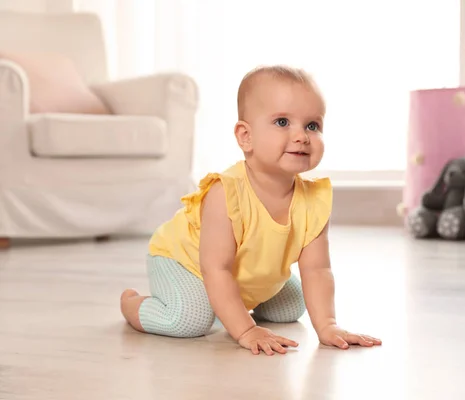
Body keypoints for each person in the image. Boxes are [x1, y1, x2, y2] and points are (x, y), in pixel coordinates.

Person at [119, 65, 382, 355]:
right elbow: (215, 268)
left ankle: (227, 303)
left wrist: (328, 326)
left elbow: (317, 270)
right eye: (282, 122)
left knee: (291, 307)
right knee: (189, 321)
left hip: (242, 271)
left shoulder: (313, 199)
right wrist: (246, 329)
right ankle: (134, 304)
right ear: (246, 137)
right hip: (186, 263)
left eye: (312, 126)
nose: (302, 136)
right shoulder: (226, 193)